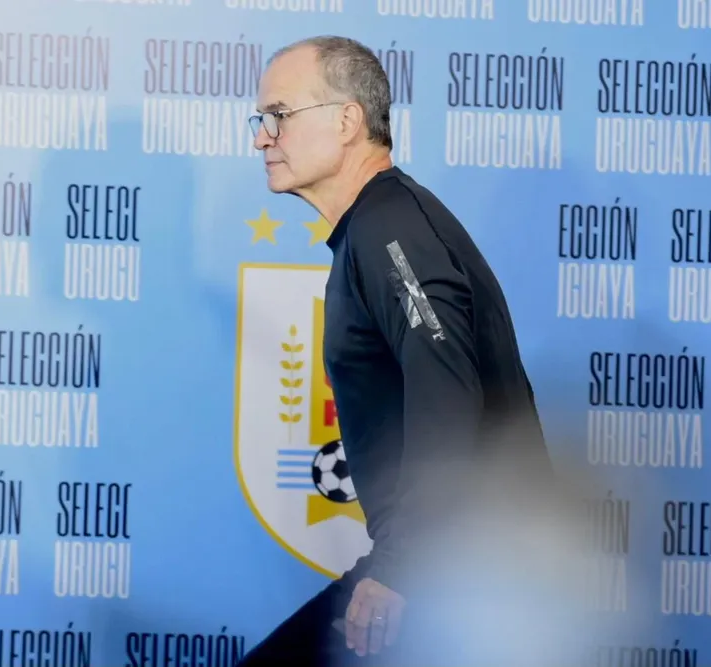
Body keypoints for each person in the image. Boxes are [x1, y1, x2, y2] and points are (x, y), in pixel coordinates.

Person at [239, 36, 567, 666]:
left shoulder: (389, 227)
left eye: (278, 115)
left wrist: (401, 567)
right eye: (261, 120)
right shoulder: (376, 226)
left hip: (464, 572)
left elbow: (448, 391)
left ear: (346, 120)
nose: (262, 137)